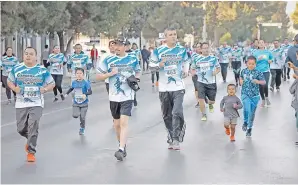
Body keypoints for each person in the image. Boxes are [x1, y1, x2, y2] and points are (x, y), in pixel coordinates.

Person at [7, 47, 55, 162]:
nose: (28, 56)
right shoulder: (17, 68)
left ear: (36, 57)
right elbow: (9, 81)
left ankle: (31, 151)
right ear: (23, 56)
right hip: (21, 103)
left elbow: (52, 83)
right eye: (26, 54)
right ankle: (30, 140)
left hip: (37, 103)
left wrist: (45, 89)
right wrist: (14, 88)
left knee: (33, 125)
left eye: (31, 54)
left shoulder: (42, 70)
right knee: (21, 129)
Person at [97, 37, 141, 161]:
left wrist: (136, 79)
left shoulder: (132, 58)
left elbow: (138, 72)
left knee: (123, 123)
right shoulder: (108, 59)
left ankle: (121, 149)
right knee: (116, 125)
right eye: (114, 45)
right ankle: (122, 144)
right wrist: (109, 74)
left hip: (128, 95)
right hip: (113, 96)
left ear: (124, 47)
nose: (116, 47)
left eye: (119, 45)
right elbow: (98, 76)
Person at [149, 27, 189, 150]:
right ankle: (171, 135)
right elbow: (151, 65)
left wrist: (185, 71)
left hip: (178, 86)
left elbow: (187, 61)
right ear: (165, 37)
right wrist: (159, 64)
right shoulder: (158, 51)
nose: (173, 36)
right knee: (167, 115)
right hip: (164, 88)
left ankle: (176, 138)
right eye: (170, 34)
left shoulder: (181, 50)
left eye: (175, 34)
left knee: (176, 112)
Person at [191, 42, 221, 121]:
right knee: (200, 99)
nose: (206, 50)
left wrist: (215, 72)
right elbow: (192, 68)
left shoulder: (213, 58)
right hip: (201, 82)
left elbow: (218, 68)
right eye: (204, 48)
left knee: (212, 101)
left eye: (207, 48)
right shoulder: (197, 59)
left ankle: (210, 104)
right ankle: (203, 114)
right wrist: (193, 72)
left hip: (211, 82)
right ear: (201, 49)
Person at [240, 56, 266, 137]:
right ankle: (245, 122)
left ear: (255, 64)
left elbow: (264, 82)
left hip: (255, 96)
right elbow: (241, 78)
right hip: (245, 94)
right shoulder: (243, 71)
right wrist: (240, 80)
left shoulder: (258, 72)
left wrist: (258, 81)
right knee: (246, 108)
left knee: (252, 113)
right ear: (246, 64)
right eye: (249, 64)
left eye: (253, 64)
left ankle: (249, 128)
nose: (251, 65)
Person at [64, 68, 92, 135]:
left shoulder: (86, 83)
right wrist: (66, 94)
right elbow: (71, 88)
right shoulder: (74, 82)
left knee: (82, 117)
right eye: (77, 73)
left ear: (83, 74)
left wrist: (85, 94)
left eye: (80, 73)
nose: (79, 75)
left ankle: (82, 128)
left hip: (84, 103)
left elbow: (90, 91)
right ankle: (78, 113)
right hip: (76, 103)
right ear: (75, 74)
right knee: (75, 115)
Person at [253, 39, 273, 107]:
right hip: (258, 71)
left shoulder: (268, 52)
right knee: (261, 86)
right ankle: (263, 100)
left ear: (264, 44)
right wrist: (258, 59)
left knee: (265, 84)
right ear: (258, 45)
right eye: (259, 43)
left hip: (266, 71)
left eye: (262, 42)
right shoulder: (255, 53)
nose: (261, 44)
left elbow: (272, 58)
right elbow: (253, 62)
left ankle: (267, 98)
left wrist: (270, 60)